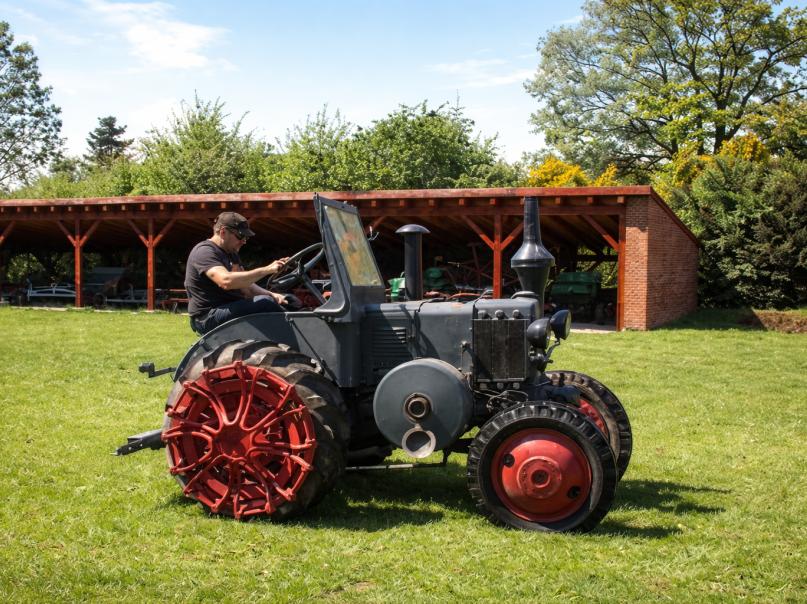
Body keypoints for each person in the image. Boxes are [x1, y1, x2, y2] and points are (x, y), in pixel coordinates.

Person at [185, 211, 291, 335]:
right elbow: (226, 281)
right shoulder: (205, 252)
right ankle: (292, 345)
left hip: (228, 308)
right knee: (265, 303)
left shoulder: (231, 253)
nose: (244, 241)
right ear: (223, 232)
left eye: (246, 237)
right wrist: (267, 270)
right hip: (207, 317)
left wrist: (273, 295)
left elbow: (246, 288)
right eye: (241, 236)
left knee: (288, 302)